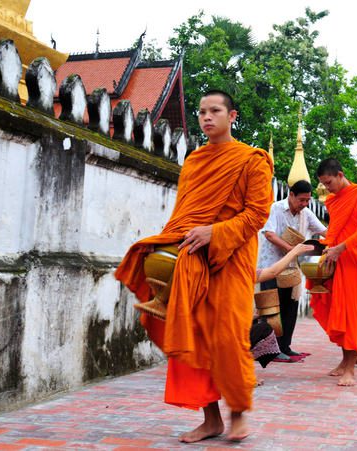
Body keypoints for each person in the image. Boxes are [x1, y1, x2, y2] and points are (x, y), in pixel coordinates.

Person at [115, 90, 272, 443]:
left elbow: (257, 213)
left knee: (228, 336)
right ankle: (211, 419)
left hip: (231, 258)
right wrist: (167, 244)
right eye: (201, 112)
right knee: (193, 333)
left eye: (215, 111)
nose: (206, 117)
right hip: (193, 258)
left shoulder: (252, 160)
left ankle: (238, 414)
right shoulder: (194, 161)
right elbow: (183, 214)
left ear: (232, 116)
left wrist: (215, 232)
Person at [311, 158, 357, 386]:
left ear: (340, 174)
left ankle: (351, 369)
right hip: (336, 261)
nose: (327, 188)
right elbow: (336, 229)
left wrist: (340, 248)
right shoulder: (333, 201)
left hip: (356, 262)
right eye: (324, 184)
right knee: (338, 312)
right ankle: (343, 361)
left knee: (352, 315)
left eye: (329, 182)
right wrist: (325, 245)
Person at [258, 180, 327, 362]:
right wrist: (291, 249)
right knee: (271, 309)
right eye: (301, 200)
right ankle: (269, 350)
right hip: (271, 265)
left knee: (290, 307)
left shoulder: (307, 213)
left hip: (291, 269)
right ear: (291, 195)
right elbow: (269, 234)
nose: (304, 204)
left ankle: (285, 347)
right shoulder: (276, 208)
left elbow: (324, 231)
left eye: (307, 200)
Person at [252, 243, 315, 370]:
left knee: (267, 320)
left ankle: (283, 347)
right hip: (228, 330)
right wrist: (293, 251)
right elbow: (273, 271)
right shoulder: (239, 272)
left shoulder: (241, 271)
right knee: (268, 322)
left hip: (283, 270)